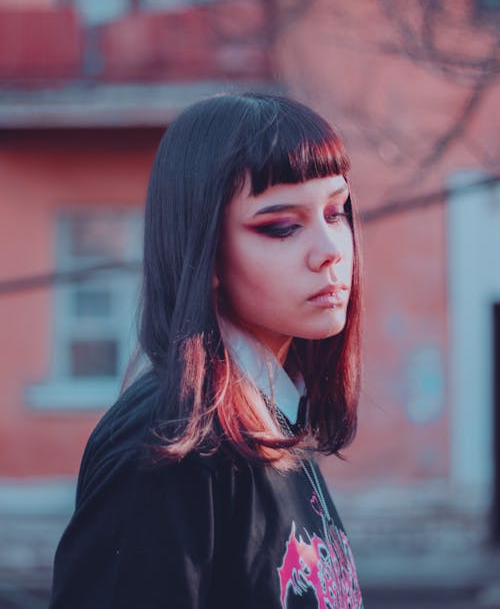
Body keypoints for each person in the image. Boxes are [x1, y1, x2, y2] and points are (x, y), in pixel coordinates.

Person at [49, 93, 364, 609]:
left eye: (336, 211)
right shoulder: (169, 443)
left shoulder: (276, 418)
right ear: (206, 252)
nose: (330, 250)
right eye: (281, 225)